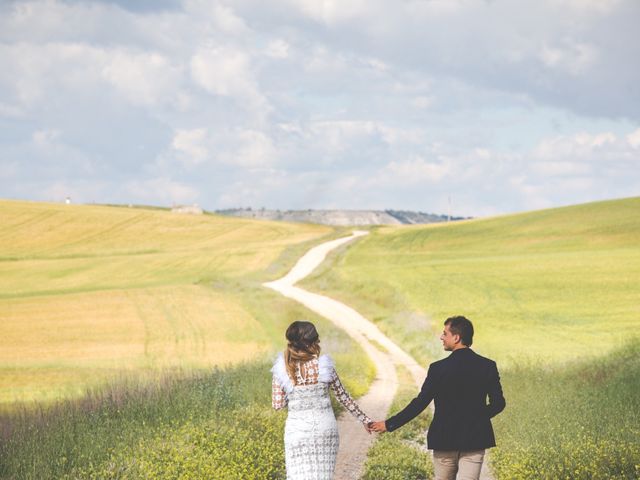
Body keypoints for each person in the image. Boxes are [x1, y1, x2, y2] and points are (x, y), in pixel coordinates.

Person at [368, 316, 505, 480]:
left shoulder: (438, 369)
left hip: (444, 439)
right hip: (475, 439)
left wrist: (389, 424)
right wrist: (476, 417)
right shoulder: (487, 366)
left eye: (445, 333)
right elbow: (498, 403)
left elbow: (420, 403)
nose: (441, 337)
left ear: (456, 337)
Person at [271, 320, 372, 479]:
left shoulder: (281, 369)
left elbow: (278, 405)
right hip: (325, 430)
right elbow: (344, 397)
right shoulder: (324, 366)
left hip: (297, 431)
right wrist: (365, 420)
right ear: (313, 341)